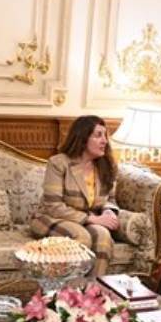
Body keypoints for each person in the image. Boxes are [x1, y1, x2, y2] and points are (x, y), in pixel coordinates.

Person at [30, 115, 120, 276]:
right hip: (52, 217)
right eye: (98, 135)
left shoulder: (106, 166)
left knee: (103, 236)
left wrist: (108, 211)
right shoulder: (58, 163)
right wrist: (92, 219)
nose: (105, 141)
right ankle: (67, 289)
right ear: (83, 138)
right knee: (81, 236)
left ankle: (93, 288)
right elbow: (53, 206)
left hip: (87, 219)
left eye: (105, 135)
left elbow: (110, 199)